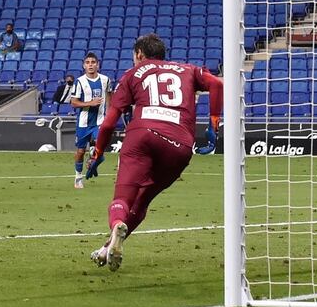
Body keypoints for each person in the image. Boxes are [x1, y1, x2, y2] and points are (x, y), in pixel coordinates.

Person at [85, 34, 223, 272]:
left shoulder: (131, 75)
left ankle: (117, 224)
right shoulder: (187, 69)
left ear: (139, 54)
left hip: (142, 136)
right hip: (179, 144)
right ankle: (108, 247)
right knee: (143, 200)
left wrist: (97, 153)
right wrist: (213, 125)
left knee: (123, 199)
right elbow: (217, 84)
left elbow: (108, 124)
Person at [69, 53, 113, 189]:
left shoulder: (105, 80)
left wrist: (110, 113)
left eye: (93, 62)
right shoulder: (79, 81)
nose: (90, 65)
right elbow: (74, 103)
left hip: (99, 121)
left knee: (100, 146)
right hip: (83, 123)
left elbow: (110, 95)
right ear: (84, 66)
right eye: (87, 62)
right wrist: (90, 103)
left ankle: (94, 158)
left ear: (97, 65)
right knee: (81, 151)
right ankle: (78, 176)